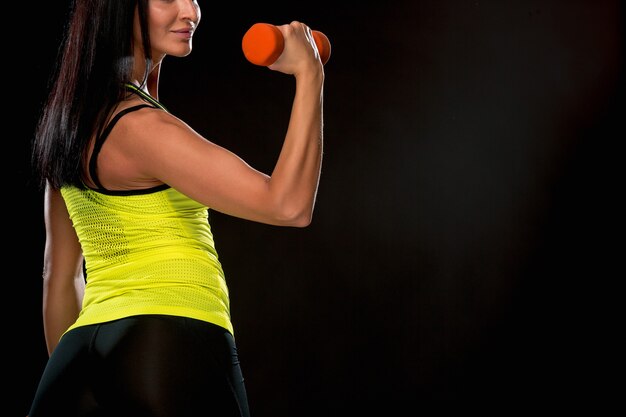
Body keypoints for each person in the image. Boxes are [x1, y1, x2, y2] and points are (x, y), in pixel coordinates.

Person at [27, 0, 324, 415]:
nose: (191, 12)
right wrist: (310, 75)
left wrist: (98, 376)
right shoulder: (142, 128)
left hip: (75, 361)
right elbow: (289, 204)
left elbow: (58, 278)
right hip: (166, 345)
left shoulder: (68, 125)